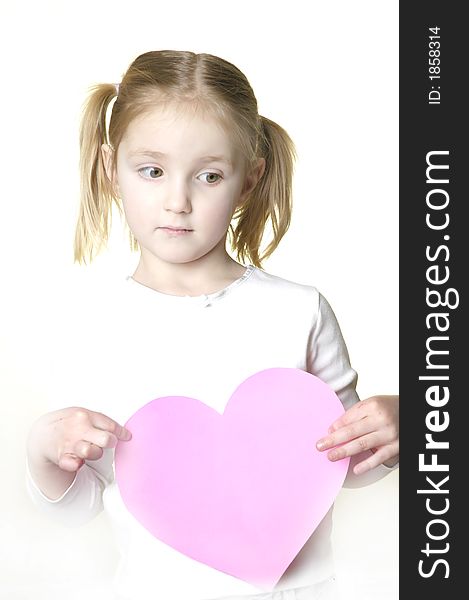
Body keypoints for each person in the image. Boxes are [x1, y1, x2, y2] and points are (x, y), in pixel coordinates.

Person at [26, 50, 398, 600]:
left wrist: (401, 426)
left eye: (209, 176)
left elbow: (340, 466)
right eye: (152, 171)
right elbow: (80, 505)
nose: (177, 201)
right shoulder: (91, 328)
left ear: (249, 180)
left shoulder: (298, 311)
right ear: (111, 170)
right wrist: (42, 452)